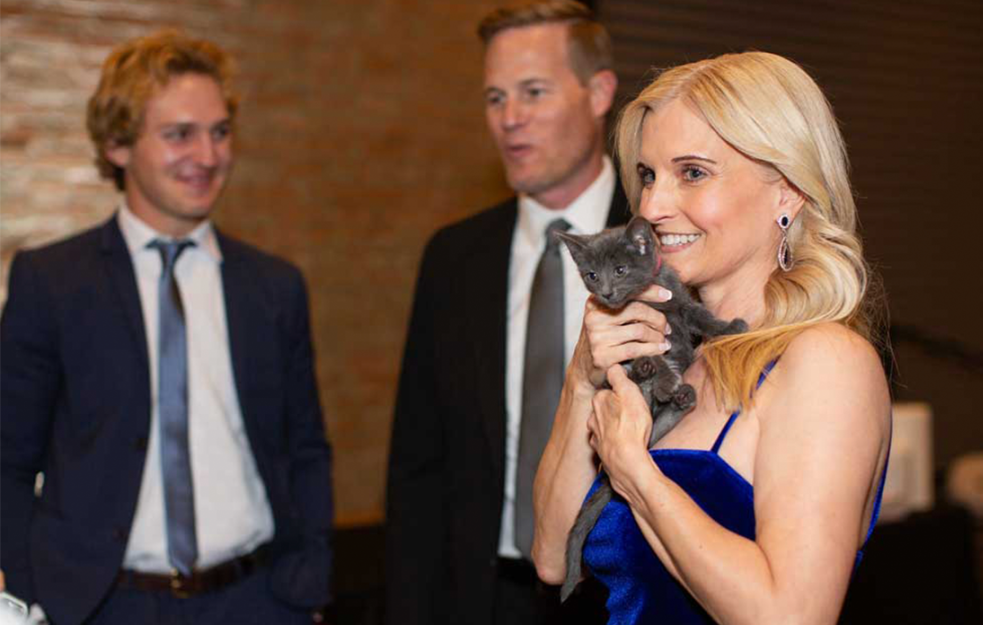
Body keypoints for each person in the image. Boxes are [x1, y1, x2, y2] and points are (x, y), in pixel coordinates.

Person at [531, 51, 892, 624]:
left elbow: (792, 617)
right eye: (648, 175)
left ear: (787, 191)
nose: (651, 206)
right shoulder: (674, 355)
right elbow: (552, 558)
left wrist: (638, 477)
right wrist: (581, 382)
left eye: (693, 173)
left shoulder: (826, 362)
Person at [0, 30, 333, 624]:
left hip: (259, 601)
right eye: (180, 134)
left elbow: (305, 450)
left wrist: (309, 583)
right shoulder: (50, 282)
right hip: (104, 606)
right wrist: (32, 597)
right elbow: (9, 460)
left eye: (220, 131)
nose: (207, 156)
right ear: (117, 144)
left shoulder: (273, 286)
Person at [384, 1, 627, 623]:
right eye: (495, 98)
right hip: (483, 597)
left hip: (623, 596)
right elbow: (418, 467)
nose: (510, 120)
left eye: (533, 92)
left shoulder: (664, 242)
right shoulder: (453, 258)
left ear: (599, 92)